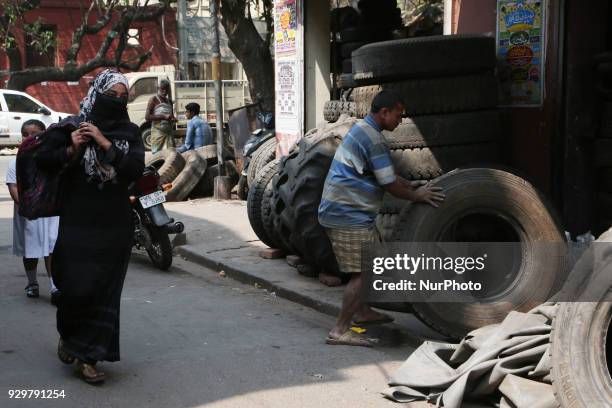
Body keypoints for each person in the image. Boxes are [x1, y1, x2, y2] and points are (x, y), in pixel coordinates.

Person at [34, 69, 145, 383]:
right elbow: (43, 160)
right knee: (74, 288)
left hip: (114, 226)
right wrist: (71, 146)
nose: (118, 101)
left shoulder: (130, 132)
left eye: (124, 97)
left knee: (103, 292)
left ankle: (88, 357)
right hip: (78, 224)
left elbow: (134, 170)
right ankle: (69, 337)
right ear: (98, 93)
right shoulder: (72, 126)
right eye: (112, 95)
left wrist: (104, 142)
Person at [318, 90, 445, 347]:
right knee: (363, 272)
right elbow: (388, 184)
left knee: (373, 262)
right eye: (398, 115)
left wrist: (410, 184)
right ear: (384, 112)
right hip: (347, 214)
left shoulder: (363, 130)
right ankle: (340, 329)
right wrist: (417, 196)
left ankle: (363, 312)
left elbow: (384, 175)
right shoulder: (374, 139)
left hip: (350, 211)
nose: (401, 120)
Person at [6, 119, 60, 303]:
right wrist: (27, 205)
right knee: (31, 250)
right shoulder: (17, 161)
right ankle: (32, 283)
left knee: (52, 248)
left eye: (35, 133)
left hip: (50, 213)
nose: (30, 137)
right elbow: (13, 186)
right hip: (29, 214)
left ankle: (55, 286)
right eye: (26, 134)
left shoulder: (52, 157)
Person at [146, 79, 176, 153]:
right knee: (157, 156)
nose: (164, 91)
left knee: (171, 154)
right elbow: (147, 117)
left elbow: (171, 116)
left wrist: (173, 119)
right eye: (162, 89)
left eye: (166, 89)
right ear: (158, 88)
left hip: (169, 133)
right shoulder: (153, 100)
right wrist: (163, 117)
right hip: (157, 133)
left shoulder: (169, 101)